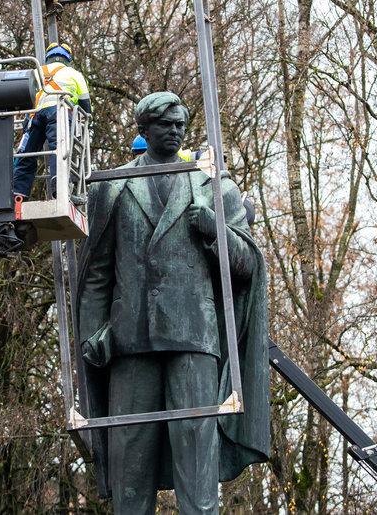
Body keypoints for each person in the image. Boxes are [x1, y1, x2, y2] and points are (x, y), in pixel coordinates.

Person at [76, 92, 270, 514]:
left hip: (193, 340)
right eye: (166, 124)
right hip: (131, 341)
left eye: (181, 124)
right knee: (130, 463)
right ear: (143, 131)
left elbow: (248, 265)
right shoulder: (111, 186)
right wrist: (92, 333)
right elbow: (96, 273)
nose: (177, 131)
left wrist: (214, 231)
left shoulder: (213, 183)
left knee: (197, 461)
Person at [12, 43, 91, 200]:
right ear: (67, 59)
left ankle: (17, 194)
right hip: (60, 112)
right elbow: (85, 106)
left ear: (48, 58)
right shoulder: (75, 74)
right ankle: (60, 191)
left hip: (33, 114)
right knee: (59, 151)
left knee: (27, 153)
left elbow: (23, 97)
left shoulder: (36, 72)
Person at [131, 133, 204, 161]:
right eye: (139, 159)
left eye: (146, 157)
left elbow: (197, 157)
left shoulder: (180, 157)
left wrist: (200, 157)